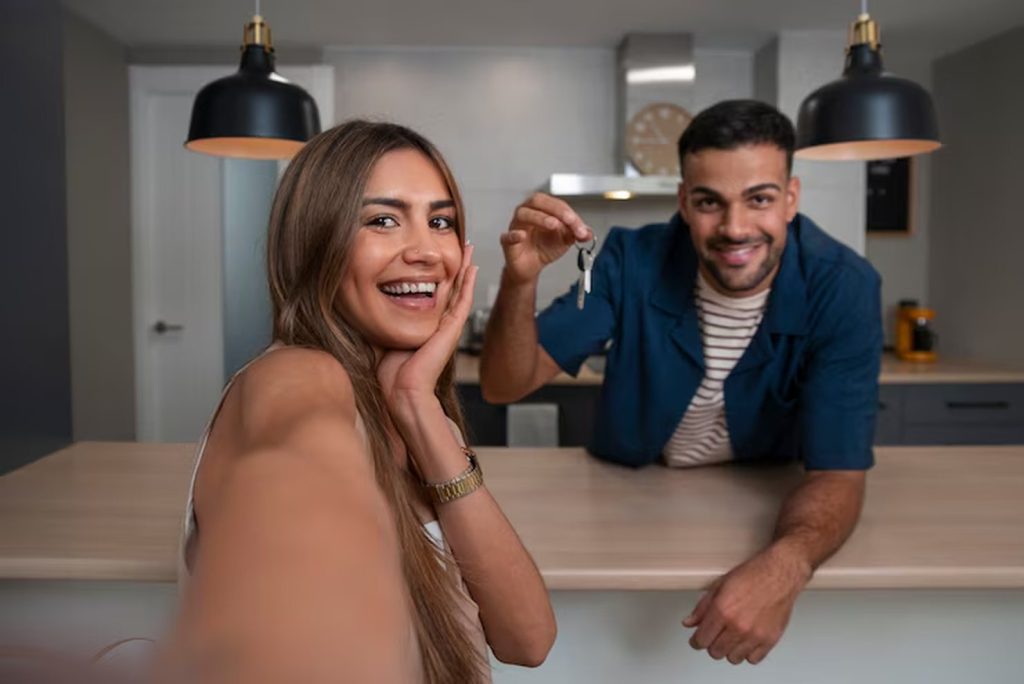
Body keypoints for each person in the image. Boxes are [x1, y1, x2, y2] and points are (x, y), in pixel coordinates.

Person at [480, 99, 881, 666]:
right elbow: (502, 386)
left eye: (759, 199)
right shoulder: (629, 259)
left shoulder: (844, 287)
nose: (735, 228)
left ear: (791, 199)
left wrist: (787, 563)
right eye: (709, 202)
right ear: (684, 204)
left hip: (758, 502)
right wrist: (519, 282)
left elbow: (838, 473)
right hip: (625, 500)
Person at [161, 120, 556, 683]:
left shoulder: (419, 410)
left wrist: (420, 409)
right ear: (315, 243)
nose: (425, 251)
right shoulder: (296, 376)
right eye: (382, 220)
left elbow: (529, 640)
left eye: (440, 221)